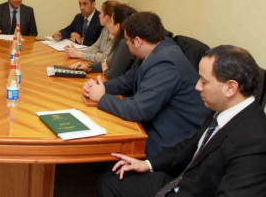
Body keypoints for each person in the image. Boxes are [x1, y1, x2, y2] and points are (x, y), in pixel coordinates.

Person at [95, 45, 266, 197]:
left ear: (230, 88)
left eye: (204, 81)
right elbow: (191, 145)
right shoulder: (222, 110)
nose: (197, 86)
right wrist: (147, 164)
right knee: (110, 183)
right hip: (180, 185)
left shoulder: (255, 141)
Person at [84, 12, 210, 156]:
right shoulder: (153, 50)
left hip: (173, 138)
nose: (126, 44)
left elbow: (138, 110)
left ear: (137, 41)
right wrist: (102, 87)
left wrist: (101, 97)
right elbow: (128, 80)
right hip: (157, 120)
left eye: (127, 40)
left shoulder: (165, 63)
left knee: (110, 143)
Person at [70, 4, 136, 80]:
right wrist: (87, 67)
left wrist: (105, 69)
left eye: (111, 21)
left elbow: (113, 75)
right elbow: (106, 62)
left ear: (117, 26)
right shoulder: (119, 39)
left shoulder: (124, 43)